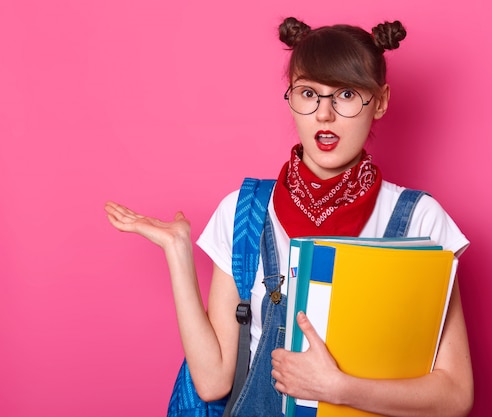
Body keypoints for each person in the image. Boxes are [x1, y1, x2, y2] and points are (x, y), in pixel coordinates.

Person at [105, 16, 473, 417]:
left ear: (380, 101)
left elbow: (454, 395)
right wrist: (178, 252)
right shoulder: (243, 213)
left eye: (346, 95)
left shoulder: (420, 220)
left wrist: (339, 388)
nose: (324, 114)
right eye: (308, 93)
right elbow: (213, 382)